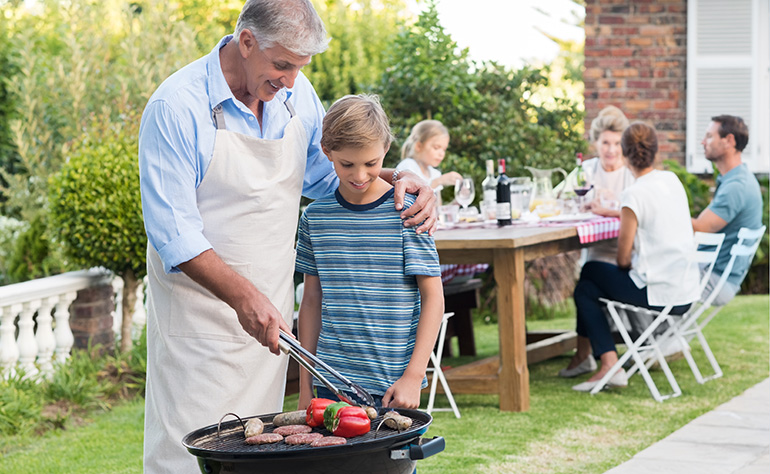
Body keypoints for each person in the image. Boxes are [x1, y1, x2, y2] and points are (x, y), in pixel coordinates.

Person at [137, 1, 436, 472]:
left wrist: (399, 178)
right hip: (200, 326)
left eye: (300, 68)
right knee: (189, 458)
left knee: (271, 457)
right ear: (247, 41)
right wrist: (243, 297)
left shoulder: (294, 95)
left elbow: (329, 177)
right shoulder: (175, 108)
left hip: (272, 323)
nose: (291, 81)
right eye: (282, 65)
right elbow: (173, 233)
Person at [295, 95, 444, 410]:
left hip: (394, 386)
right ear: (327, 152)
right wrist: (306, 384)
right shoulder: (315, 218)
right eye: (347, 164)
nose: (359, 176)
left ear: (386, 150)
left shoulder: (409, 213)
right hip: (329, 384)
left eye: (371, 164)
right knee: (325, 461)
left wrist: (414, 375)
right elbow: (311, 301)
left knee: (393, 462)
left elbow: (433, 296)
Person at [560, 122, 701, 392]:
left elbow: (623, 260)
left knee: (588, 277)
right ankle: (604, 363)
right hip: (686, 291)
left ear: (625, 156)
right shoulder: (671, 180)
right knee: (588, 282)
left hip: (659, 295)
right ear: (656, 152)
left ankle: (607, 364)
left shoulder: (633, 194)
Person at [691, 115, 763, 306]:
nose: (702, 142)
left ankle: (652, 335)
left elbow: (699, 228)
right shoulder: (736, 179)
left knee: (643, 275)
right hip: (716, 275)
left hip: (713, 280)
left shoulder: (737, 186)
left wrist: (659, 212)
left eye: (709, 136)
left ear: (729, 140)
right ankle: (658, 334)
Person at [396, 120, 462, 192]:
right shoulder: (408, 167)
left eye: (444, 149)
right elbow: (409, 201)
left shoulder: (434, 174)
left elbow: (437, 204)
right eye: (436, 147)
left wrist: (459, 200)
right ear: (419, 146)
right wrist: (437, 182)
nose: (442, 154)